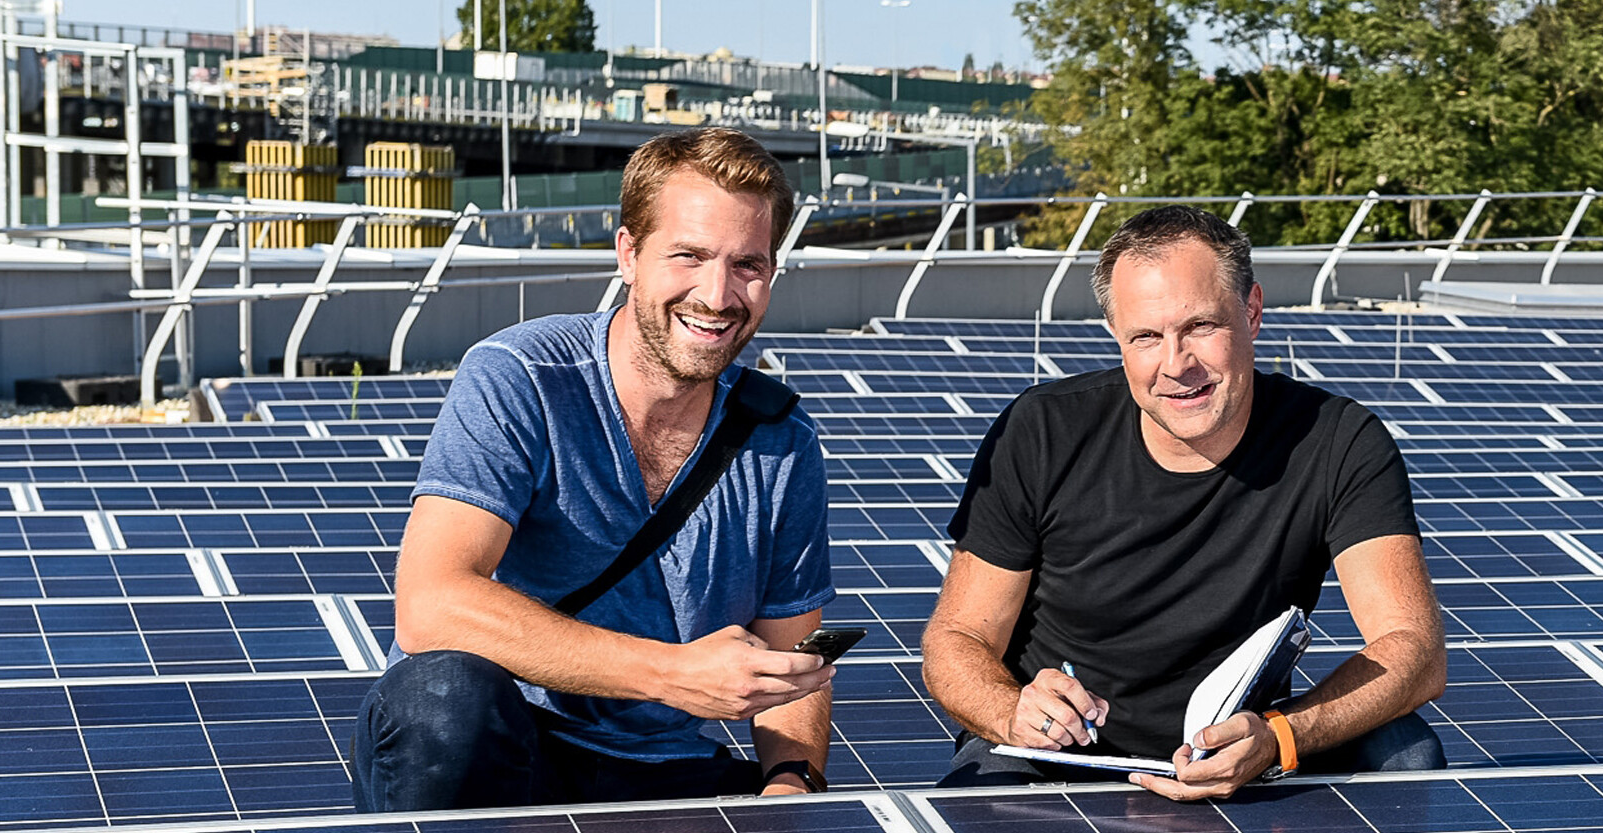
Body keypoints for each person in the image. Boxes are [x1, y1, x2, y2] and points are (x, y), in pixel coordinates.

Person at [351, 127, 836, 811]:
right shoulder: (521, 378)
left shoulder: (780, 440)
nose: (717, 293)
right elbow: (429, 605)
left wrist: (794, 780)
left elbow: (796, 665)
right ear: (629, 253)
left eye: (747, 264)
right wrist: (670, 673)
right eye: (689, 255)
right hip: (509, 742)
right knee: (442, 697)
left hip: (662, 768)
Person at [922, 205, 1448, 799]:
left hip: (1244, 743)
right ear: (1117, 336)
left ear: (1251, 312)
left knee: (1406, 751)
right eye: (1146, 336)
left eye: (1200, 326)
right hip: (1062, 752)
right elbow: (957, 639)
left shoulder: (1338, 441)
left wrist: (1281, 734)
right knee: (980, 799)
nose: (1177, 366)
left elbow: (1415, 649)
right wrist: (1012, 710)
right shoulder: (1041, 432)